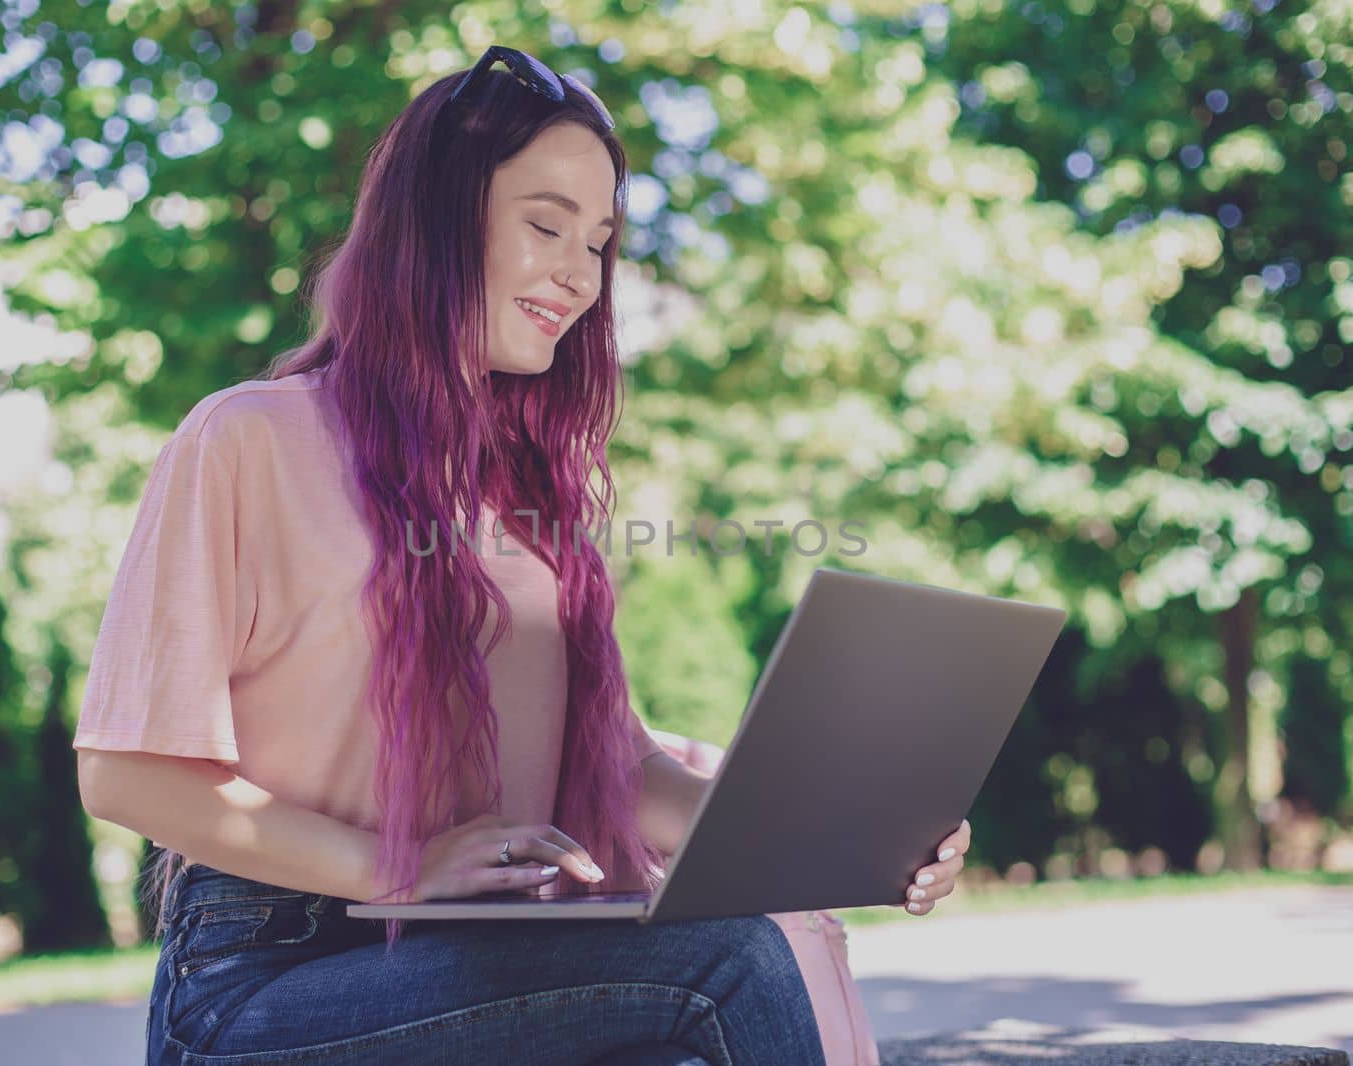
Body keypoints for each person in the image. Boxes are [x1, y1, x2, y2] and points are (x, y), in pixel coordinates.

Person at [73, 45, 836, 1064]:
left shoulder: (525, 487)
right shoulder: (247, 439)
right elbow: (126, 775)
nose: (579, 273)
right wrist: (400, 865)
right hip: (263, 976)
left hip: (472, 948)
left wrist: (832, 835)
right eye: (544, 224)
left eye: (600, 241)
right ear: (437, 225)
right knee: (723, 961)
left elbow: (615, 764)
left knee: (697, 1004)